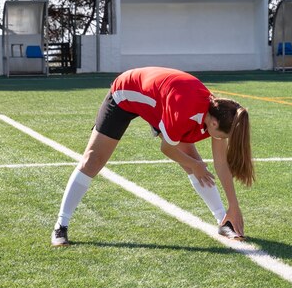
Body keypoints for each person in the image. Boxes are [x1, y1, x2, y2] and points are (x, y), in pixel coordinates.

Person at [51, 66, 255, 246]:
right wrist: (195, 164)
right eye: (222, 136)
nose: (221, 140)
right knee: (92, 161)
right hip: (126, 94)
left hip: (160, 104)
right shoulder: (183, 113)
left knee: (196, 165)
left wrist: (234, 206)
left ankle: (224, 221)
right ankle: (61, 225)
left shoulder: (220, 114)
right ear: (213, 124)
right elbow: (167, 149)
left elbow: (220, 163)